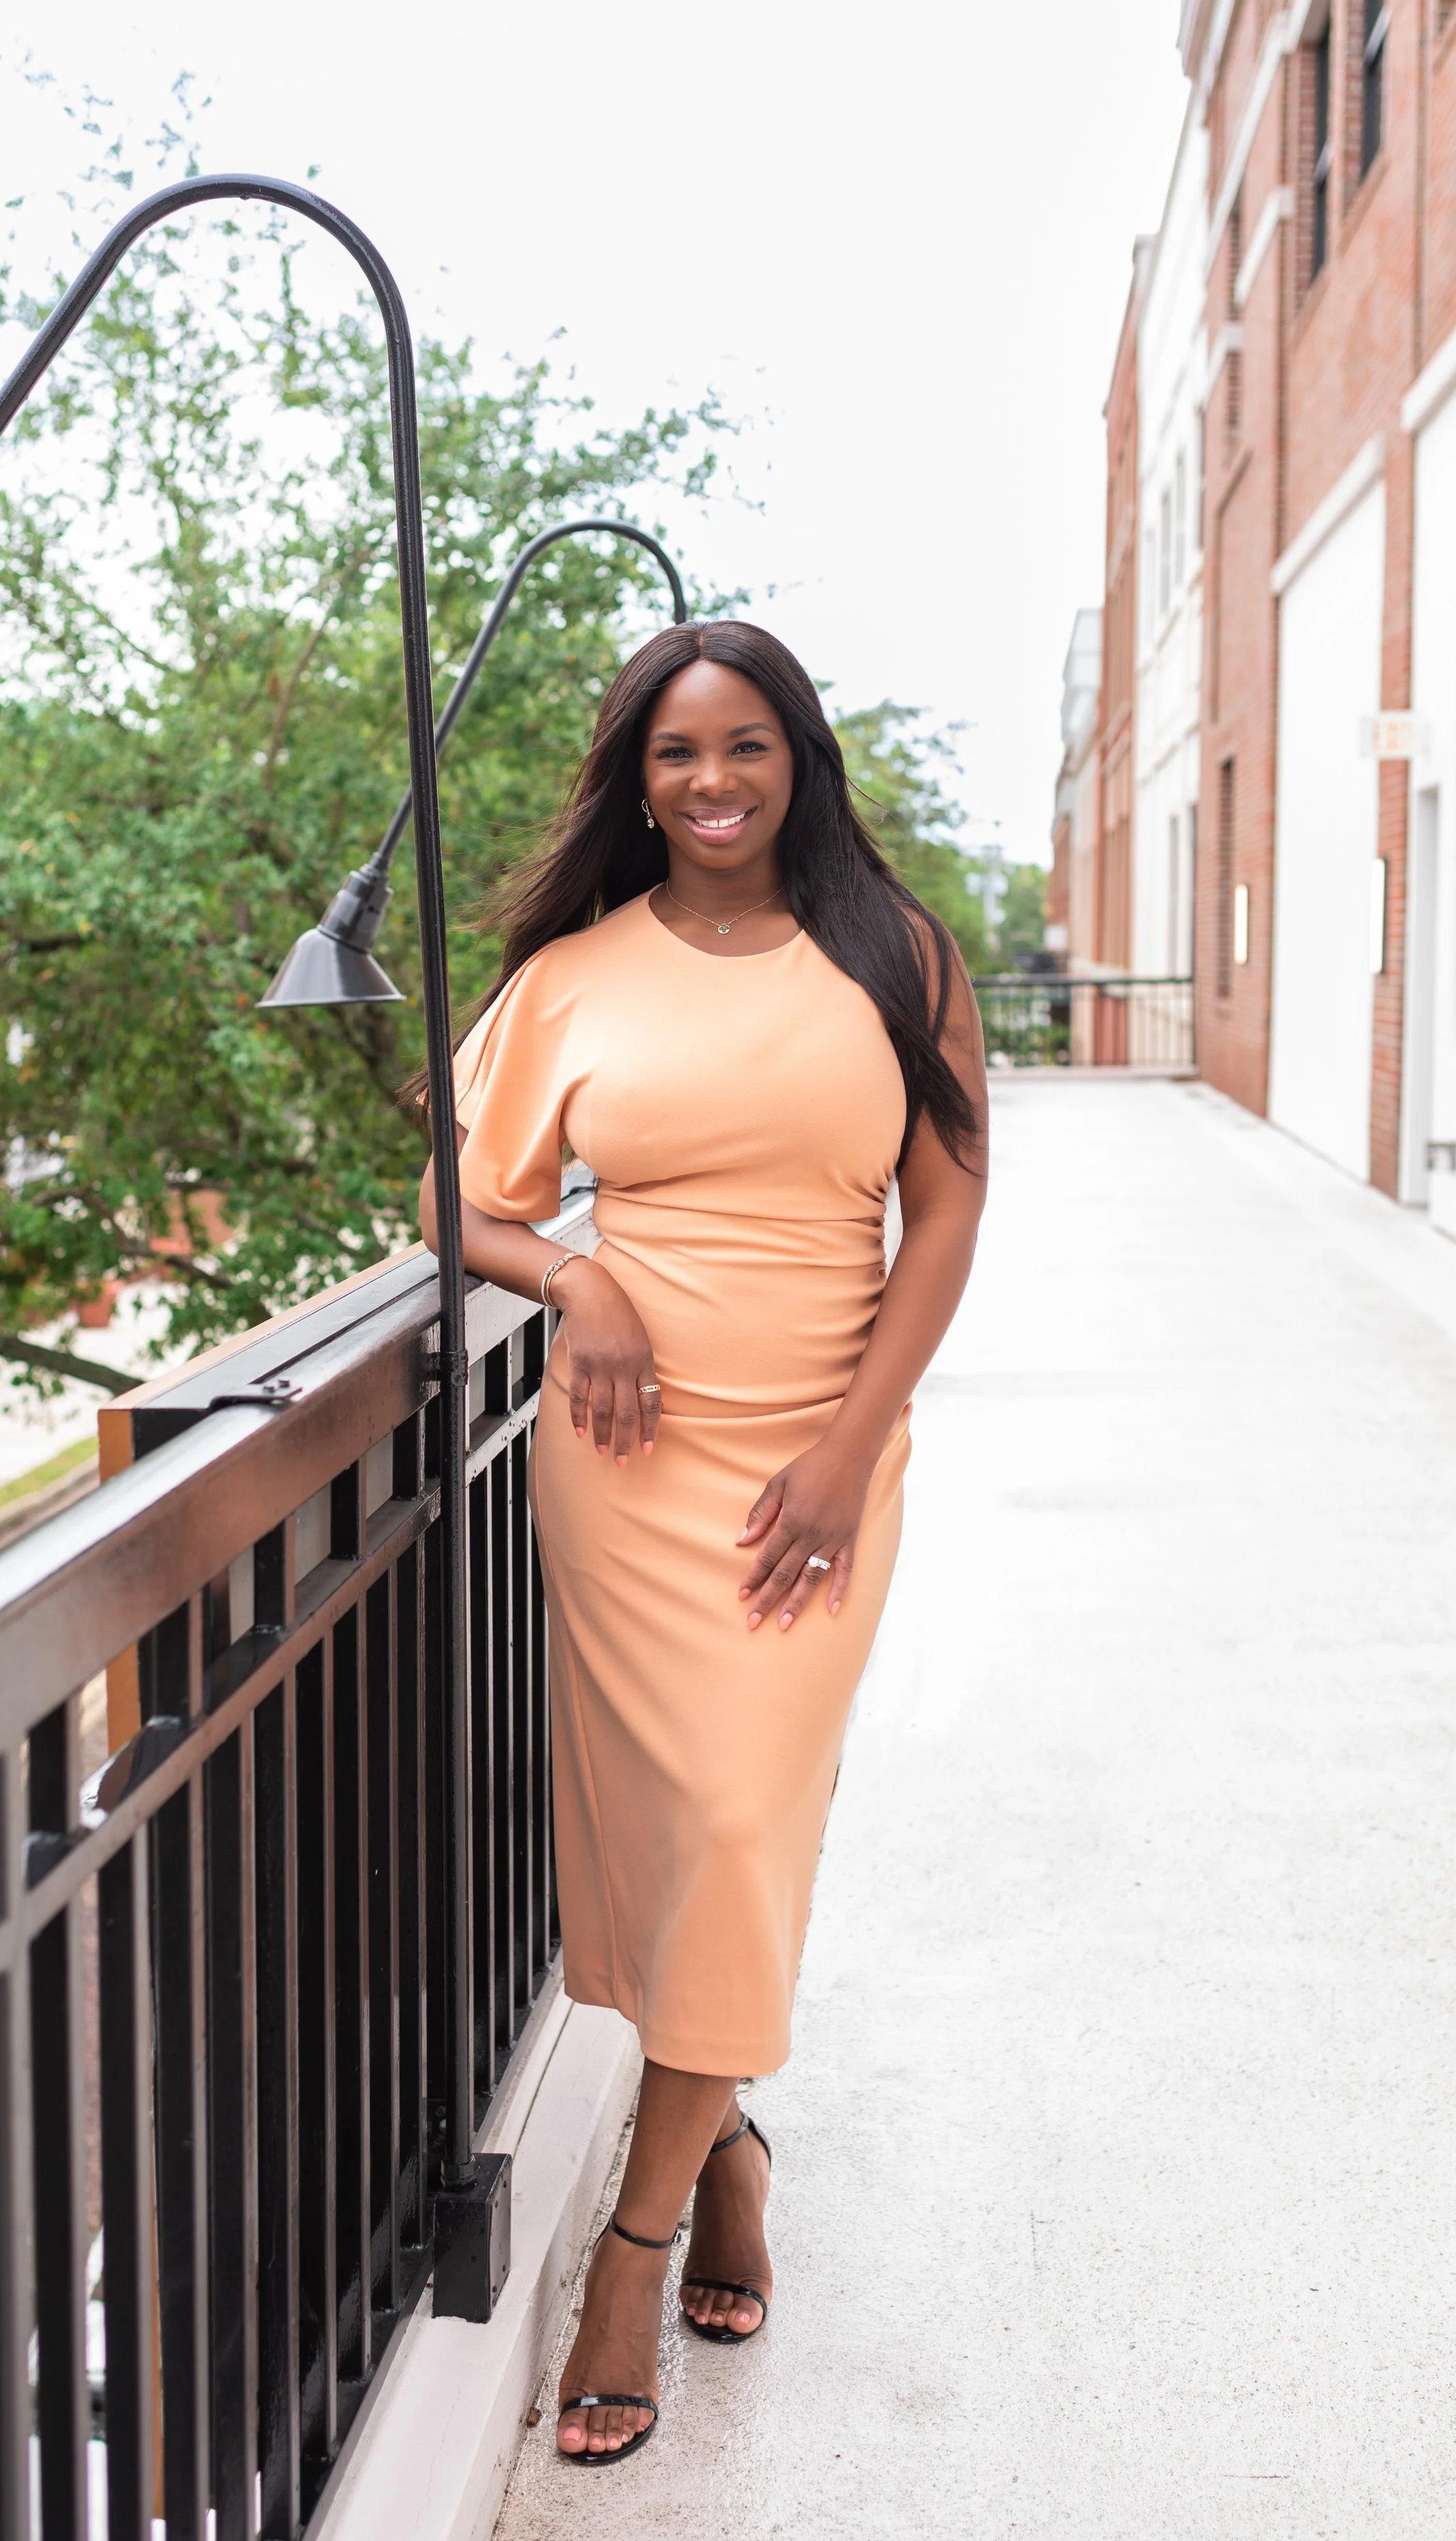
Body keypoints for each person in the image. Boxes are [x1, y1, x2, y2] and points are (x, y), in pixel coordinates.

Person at [416, 619, 987, 2463]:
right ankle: (728, 2140)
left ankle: (634, 2246)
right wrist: (574, 1273)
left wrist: (848, 1448)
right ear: (634, 781)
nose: (713, 784)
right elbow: (458, 1197)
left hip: (814, 1461)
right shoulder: (574, 975)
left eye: (745, 747)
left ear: (798, 757)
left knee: (742, 1821)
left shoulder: (896, 957)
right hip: (626, 1461)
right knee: (685, 1848)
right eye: (675, 756)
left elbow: (948, 1215)